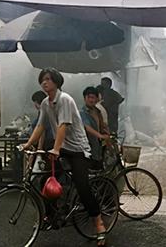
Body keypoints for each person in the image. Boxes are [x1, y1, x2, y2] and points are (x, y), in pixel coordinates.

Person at [20, 68, 110, 246]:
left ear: (56, 82)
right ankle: (51, 215)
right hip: (61, 148)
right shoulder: (46, 103)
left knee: (82, 185)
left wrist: (55, 149)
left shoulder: (65, 100)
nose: (45, 82)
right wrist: (28, 144)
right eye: (42, 80)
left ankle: (98, 223)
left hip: (77, 149)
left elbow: (63, 125)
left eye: (48, 79)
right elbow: (40, 126)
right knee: (45, 180)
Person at [80, 86, 111, 169]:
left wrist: (107, 132)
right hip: (88, 147)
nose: (91, 100)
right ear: (84, 98)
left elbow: (102, 125)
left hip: (98, 146)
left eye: (93, 97)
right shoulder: (82, 112)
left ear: (97, 99)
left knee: (100, 169)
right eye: (88, 97)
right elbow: (87, 127)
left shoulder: (98, 111)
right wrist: (100, 135)